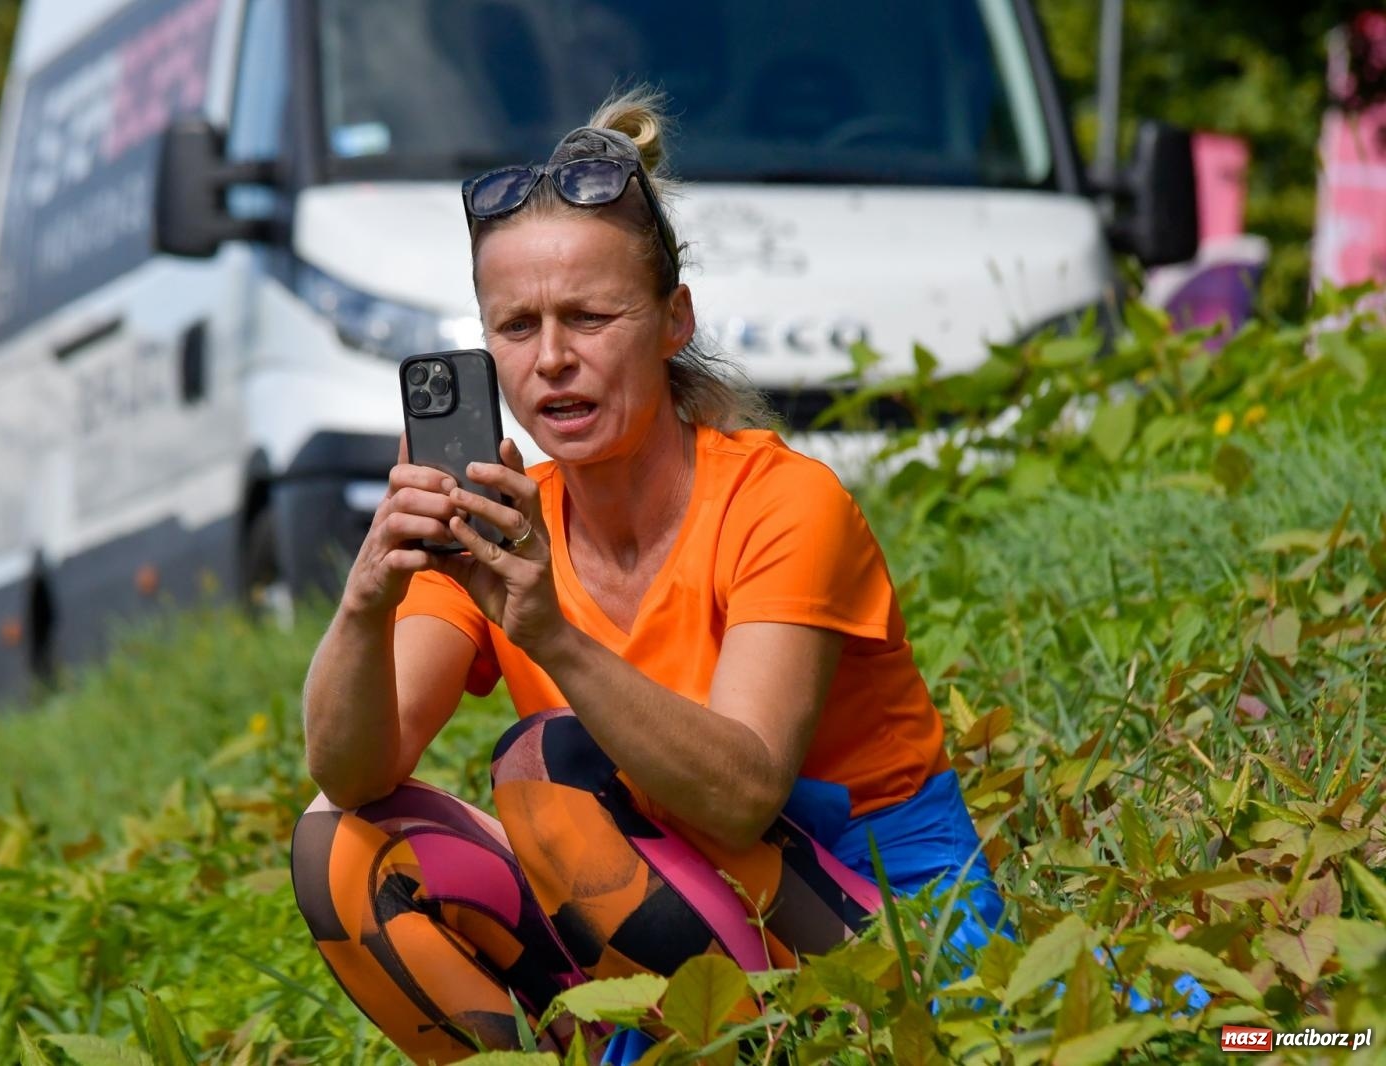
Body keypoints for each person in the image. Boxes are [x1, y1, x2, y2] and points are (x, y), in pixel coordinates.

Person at [289, 88, 1004, 1065]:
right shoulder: (497, 525)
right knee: (342, 847)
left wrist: (550, 635)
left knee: (547, 764)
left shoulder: (784, 500)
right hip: (656, 924)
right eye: (517, 326)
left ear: (673, 320)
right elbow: (351, 770)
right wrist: (366, 600)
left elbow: (744, 793)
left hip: (884, 926)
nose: (551, 361)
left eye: (589, 317)